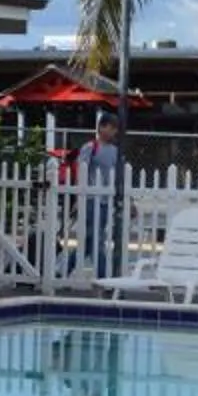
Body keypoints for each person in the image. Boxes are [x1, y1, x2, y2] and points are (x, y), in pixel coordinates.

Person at [74, 113, 125, 279]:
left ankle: (61, 270)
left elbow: (120, 178)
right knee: (97, 241)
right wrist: (79, 197)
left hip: (105, 202)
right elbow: (81, 172)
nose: (114, 132)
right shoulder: (90, 147)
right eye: (111, 127)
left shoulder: (116, 151)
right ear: (101, 127)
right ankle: (104, 277)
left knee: (90, 242)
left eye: (116, 128)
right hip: (90, 200)